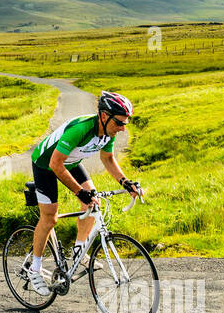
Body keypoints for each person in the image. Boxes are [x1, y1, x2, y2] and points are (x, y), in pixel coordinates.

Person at [23, 91, 142, 296]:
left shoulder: (108, 132)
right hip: (46, 165)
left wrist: (126, 182)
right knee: (50, 219)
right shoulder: (80, 129)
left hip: (71, 163)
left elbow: (108, 160)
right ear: (104, 116)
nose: (123, 128)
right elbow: (55, 164)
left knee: (93, 203)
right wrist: (80, 192)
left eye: (126, 123)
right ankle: (34, 268)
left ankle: (79, 251)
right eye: (120, 122)